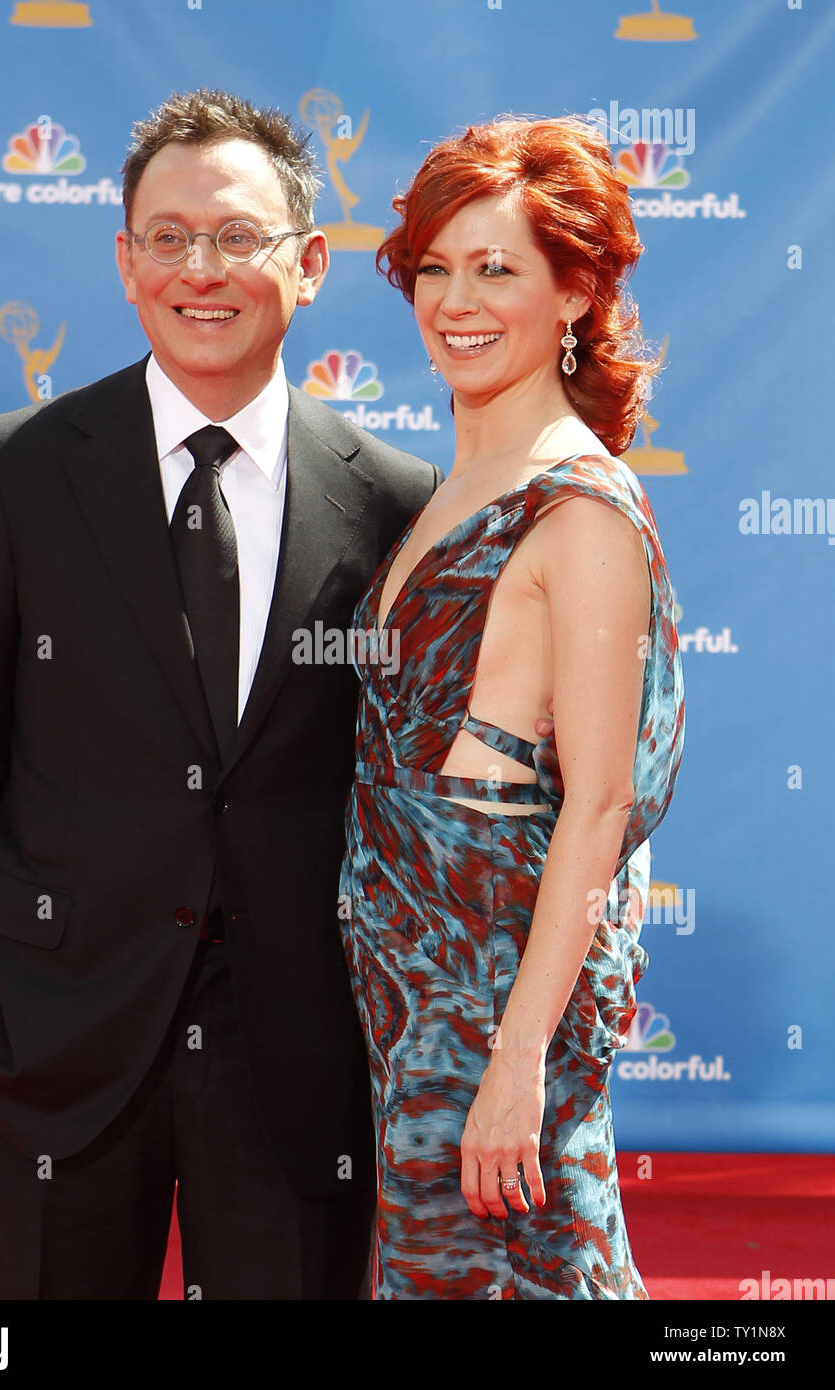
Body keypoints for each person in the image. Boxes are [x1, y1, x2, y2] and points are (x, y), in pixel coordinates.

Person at [0, 89, 442, 1300]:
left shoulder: (397, 499)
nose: (204, 267)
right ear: (127, 263)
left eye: (238, 238)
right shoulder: (17, 470)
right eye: (170, 237)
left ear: (307, 265)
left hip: (301, 1055)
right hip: (52, 1033)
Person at [338, 115, 685, 1299]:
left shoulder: (580, 507)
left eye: (498, 267)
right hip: (415, 1003)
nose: (455, 300)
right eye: (436, 267)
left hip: (491, 1004)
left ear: (577, 292)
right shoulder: (455, 487)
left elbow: (599, 806)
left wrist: (518, 1060)